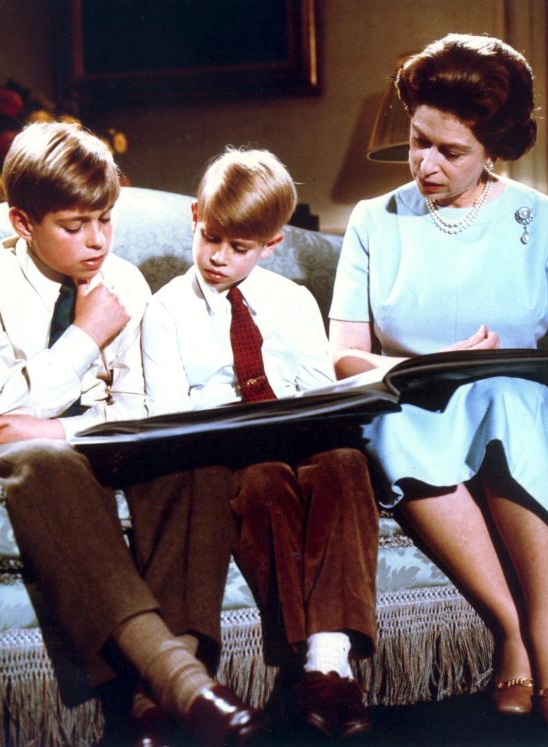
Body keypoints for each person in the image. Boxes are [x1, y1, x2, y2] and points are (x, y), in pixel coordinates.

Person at [328, 34, 548, 728]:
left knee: (505, 393)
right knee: (388, 418)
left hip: (518, 413)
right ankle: (514, 631)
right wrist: (411, 369)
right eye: (416, 142)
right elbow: (342, 356)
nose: (425, 165)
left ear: (491, 148)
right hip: (417, 409)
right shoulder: (375, 222)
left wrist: (505, 368)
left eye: (449, 150)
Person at [0, 122, 267, 746]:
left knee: (192, 457)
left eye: (106, 220)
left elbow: (139, 411)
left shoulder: (127, 280)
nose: (96, 241)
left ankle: (153, 702)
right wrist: (87, 333)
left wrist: (61, 426)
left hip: (80, 434)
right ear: (23, 223)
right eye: (74, 224)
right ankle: (185, 683)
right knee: (43, 461)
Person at [141, 148, 379, 740]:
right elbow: (170, 414)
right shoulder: (165, 310)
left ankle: (328, 662)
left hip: (300, 434)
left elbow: (320, 392)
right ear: (195, 217)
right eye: (211, 237)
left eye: (239, 248)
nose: (219, 257)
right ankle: (317, 676)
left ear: (271, 245)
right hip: (230, 451)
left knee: (346, 463)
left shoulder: (293, 302)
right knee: (266, 485)